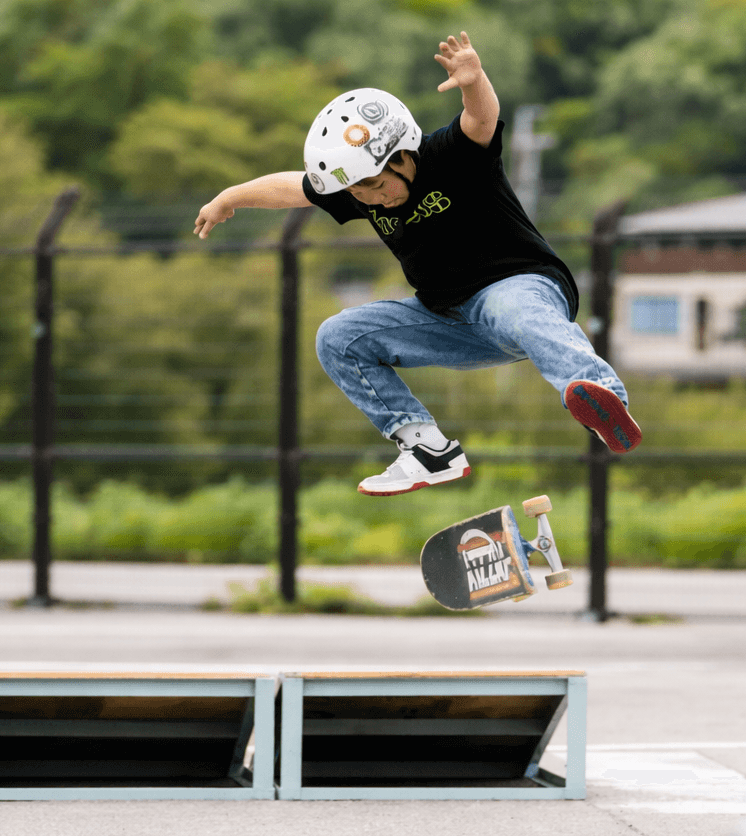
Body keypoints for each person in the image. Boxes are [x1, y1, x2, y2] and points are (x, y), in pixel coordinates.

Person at [193, 32, 640, 496]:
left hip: (520, 286)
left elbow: (481, 117)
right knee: (338, 337)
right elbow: (294, 187)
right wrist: (230, 198)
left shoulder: (450, 155)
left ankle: (601, 398)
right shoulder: (359, 192)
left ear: (402, 155)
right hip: (446, 318)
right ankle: (427, 450)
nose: (373, 201)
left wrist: (473, 78)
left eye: (377, 186)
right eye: (360, 195)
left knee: (515, 311)